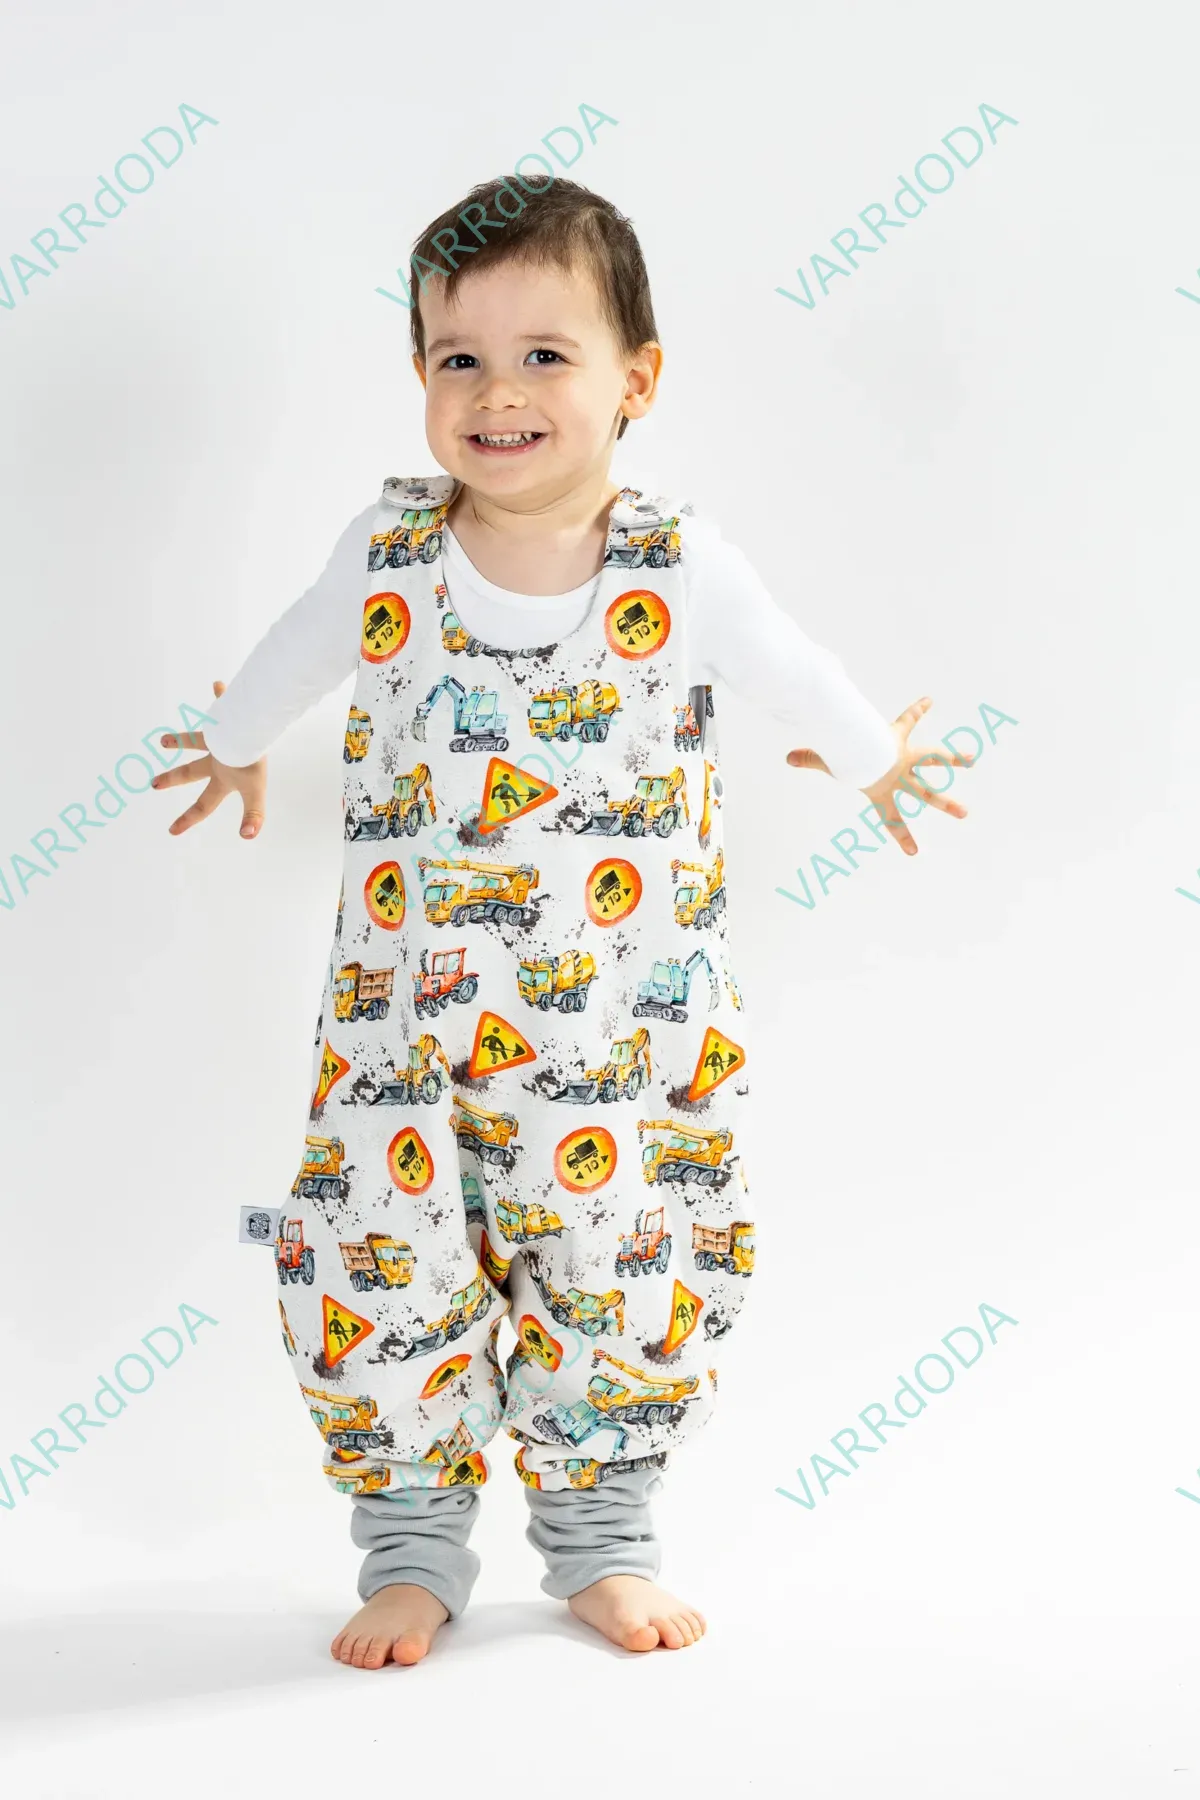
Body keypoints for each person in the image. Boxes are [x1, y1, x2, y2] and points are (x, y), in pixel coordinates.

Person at [152, 174, 970, 1672]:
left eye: (546, 355)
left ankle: (601, 1538)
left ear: (636, 380)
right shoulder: (390, 551)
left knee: (623, 1266)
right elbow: (295, 650)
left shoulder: (679, 567)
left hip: (624, 1042)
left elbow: (793, 666)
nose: (498, 392)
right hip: (406, 1035)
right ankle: (411, 1547)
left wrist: (874, 758)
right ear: (418, 375)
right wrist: (233, 741)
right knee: (376, 1258)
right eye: (458, 357)